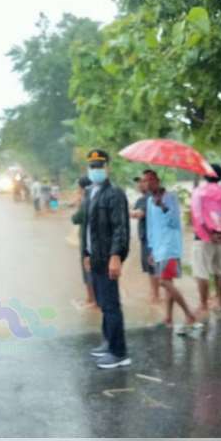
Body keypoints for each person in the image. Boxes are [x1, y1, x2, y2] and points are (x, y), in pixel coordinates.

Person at [80, 149, 131, 369]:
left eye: (100, 166)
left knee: (111, 305)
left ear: (107, 168)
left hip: (108, 257)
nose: (96, 170)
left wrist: (116, 256)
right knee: (102, 303)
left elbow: (120, 228)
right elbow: (88, 228)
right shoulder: (91, 192)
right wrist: (86, 254)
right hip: (95, 257)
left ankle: (119, 353)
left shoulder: (115, 194)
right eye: (92, 166)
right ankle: (108, 341)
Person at [146, 170, 200, 335]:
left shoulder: (170, 197)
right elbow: (151, 226)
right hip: (158, 248)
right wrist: (151, 248)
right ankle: (168, 319)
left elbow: (176, 222)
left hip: (170, 247)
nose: (147, 184)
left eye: (150, 180)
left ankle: (189, 314)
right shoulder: (149, 200)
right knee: (168, 282)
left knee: (163, 281)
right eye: (144, 181)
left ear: (158, 180)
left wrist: (163, 206)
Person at [190, 163, 221, 318]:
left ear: (205, 175)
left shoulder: (198, 193)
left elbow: (198, 216)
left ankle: (203, 305)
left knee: (202, 271)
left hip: (203, 237)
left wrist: (209, 231)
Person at [130, 170, 161, 307]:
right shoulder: (147, 198)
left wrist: (122, 210)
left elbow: (138, 214)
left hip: (150, 238)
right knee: (153, 267)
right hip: (150, 237)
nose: (139, 184)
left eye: (143, 181)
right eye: (138, 182)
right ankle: (155, 293)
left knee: (152, 267)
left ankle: (155, 295)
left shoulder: (147, 198)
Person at [72, 176, 96, 308]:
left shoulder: (85, 200)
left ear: (81, 188)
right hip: (97, 240)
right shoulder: (97, 197)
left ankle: (91, 300)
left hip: (87, 241)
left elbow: (76, 219)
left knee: (87, 270)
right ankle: (94, 299)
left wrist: (78, 205)